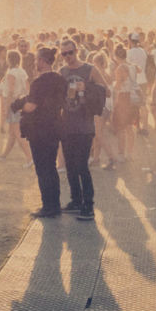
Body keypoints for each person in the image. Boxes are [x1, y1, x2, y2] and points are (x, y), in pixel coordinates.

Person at [17, 47, 68, 218]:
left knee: (42, 168)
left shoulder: (38, 83)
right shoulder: (60, 80)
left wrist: (19, 105)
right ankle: (55, 204)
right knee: (51, 167)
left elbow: (31, 106)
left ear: (41, 61)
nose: (34, 63)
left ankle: (48, 206)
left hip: (39, 129)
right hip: (55, 126)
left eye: (36, 59)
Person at [59, 39, 107, 220]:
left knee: (81, 166)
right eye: (64, 54)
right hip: (67, 123)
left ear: (76, 50)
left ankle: (89, 205)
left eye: (70, 52)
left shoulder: (89, 69)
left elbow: (106, 90)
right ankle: (75, 200)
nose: (67, 57)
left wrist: (86, 86)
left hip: (85, 125)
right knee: (70, 166)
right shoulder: (62, 72)